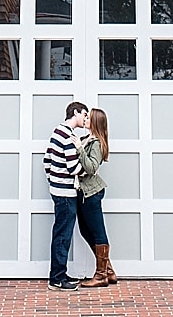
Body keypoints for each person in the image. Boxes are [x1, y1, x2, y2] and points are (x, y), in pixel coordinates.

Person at [44, 100, 89, 290]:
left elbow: (47, 161)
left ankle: (60, 273)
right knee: (63, 235)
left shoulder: (57, 132)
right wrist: (88, 170)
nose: (86, 119)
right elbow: (73, 168)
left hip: (57, 190)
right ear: (75, 112)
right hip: (65, 193)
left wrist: (53, 180)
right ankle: (56, 279)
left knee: (60, 233)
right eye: (84, 115)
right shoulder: (67, 135)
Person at [75, 107, 116, 288]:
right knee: (85, 230)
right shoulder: (87, 139)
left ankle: (101, 276)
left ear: (95, 122)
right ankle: (108, 271)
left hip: (92, 192)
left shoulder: (97, 143)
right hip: (84, 192)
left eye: (88, 117)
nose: (85, 119)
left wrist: (79, 149)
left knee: (98, 231)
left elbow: (91, 168)